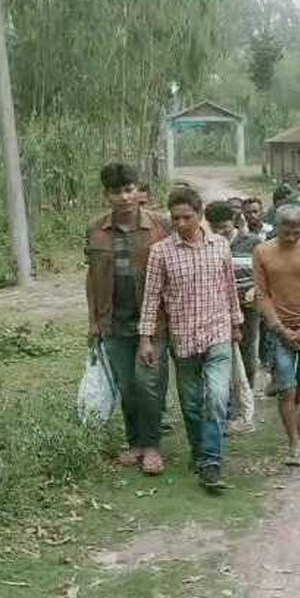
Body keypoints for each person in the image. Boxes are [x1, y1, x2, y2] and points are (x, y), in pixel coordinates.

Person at [138, 187, 243, 491]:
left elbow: (228, 287)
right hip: (182, 339)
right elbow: (151, 298)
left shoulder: (220, 246)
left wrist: (236, 324)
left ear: (199, 215)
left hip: (218, 334)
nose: (181, 223)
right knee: (192, 403)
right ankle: (200, 453)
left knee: (216, 396)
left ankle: (211, 463)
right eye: (176, 218)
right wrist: (146, 339)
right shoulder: (161, 251)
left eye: (187, 217)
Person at [85, 163, 171, 475]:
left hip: (154, 322)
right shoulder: (96, 229)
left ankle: (152, 446)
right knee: (127, 385)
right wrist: (94, 319)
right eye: (115, 192)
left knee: (148, 384)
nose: (123, 197)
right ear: (106, 195)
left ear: (138, 190)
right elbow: (92, 276)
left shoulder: (161, 225)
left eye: (128, 189)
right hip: (114, 322)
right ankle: (135, 442)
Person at [254, 205, 300, 466]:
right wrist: (280, 329)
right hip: (279, 330)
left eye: (297, 231)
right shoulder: (262, 251)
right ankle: (293, 443)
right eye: (286, 232)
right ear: (277, 227)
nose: (291, 237)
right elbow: (262, 295)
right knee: (286, 388)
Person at [206, 201, 263, 430]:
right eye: (215, 228)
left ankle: (243, 407)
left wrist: (254, 291)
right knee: (221, 357)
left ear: (235, 222)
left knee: (248, 355)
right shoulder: (208, 245)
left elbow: (264, 273)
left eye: (225, 227)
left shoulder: (254, 243)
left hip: (248, 309)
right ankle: (224, 407)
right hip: (218, 309)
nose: (220, 232)